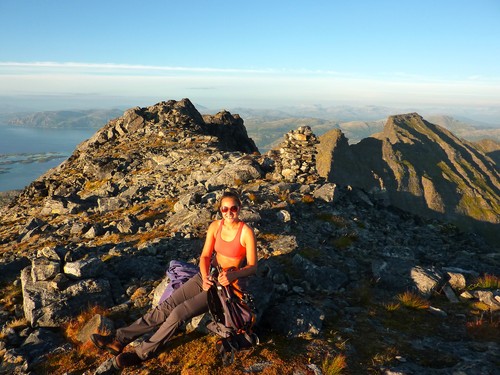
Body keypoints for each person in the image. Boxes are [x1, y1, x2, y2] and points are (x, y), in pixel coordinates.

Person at [91, 190, 257, 369]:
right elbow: (205, 256)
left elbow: (253, 266)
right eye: (225, 209)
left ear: (239, 208)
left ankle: (141, 353)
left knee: (179, 313)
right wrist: (204, 277)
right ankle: (118, 339)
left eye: (233, 208)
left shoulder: (246, 232)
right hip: (207, 275)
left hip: (224, 288)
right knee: (166, 307)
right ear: (220, 210)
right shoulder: (215, 226)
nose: (229, 212)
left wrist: (233, 275)